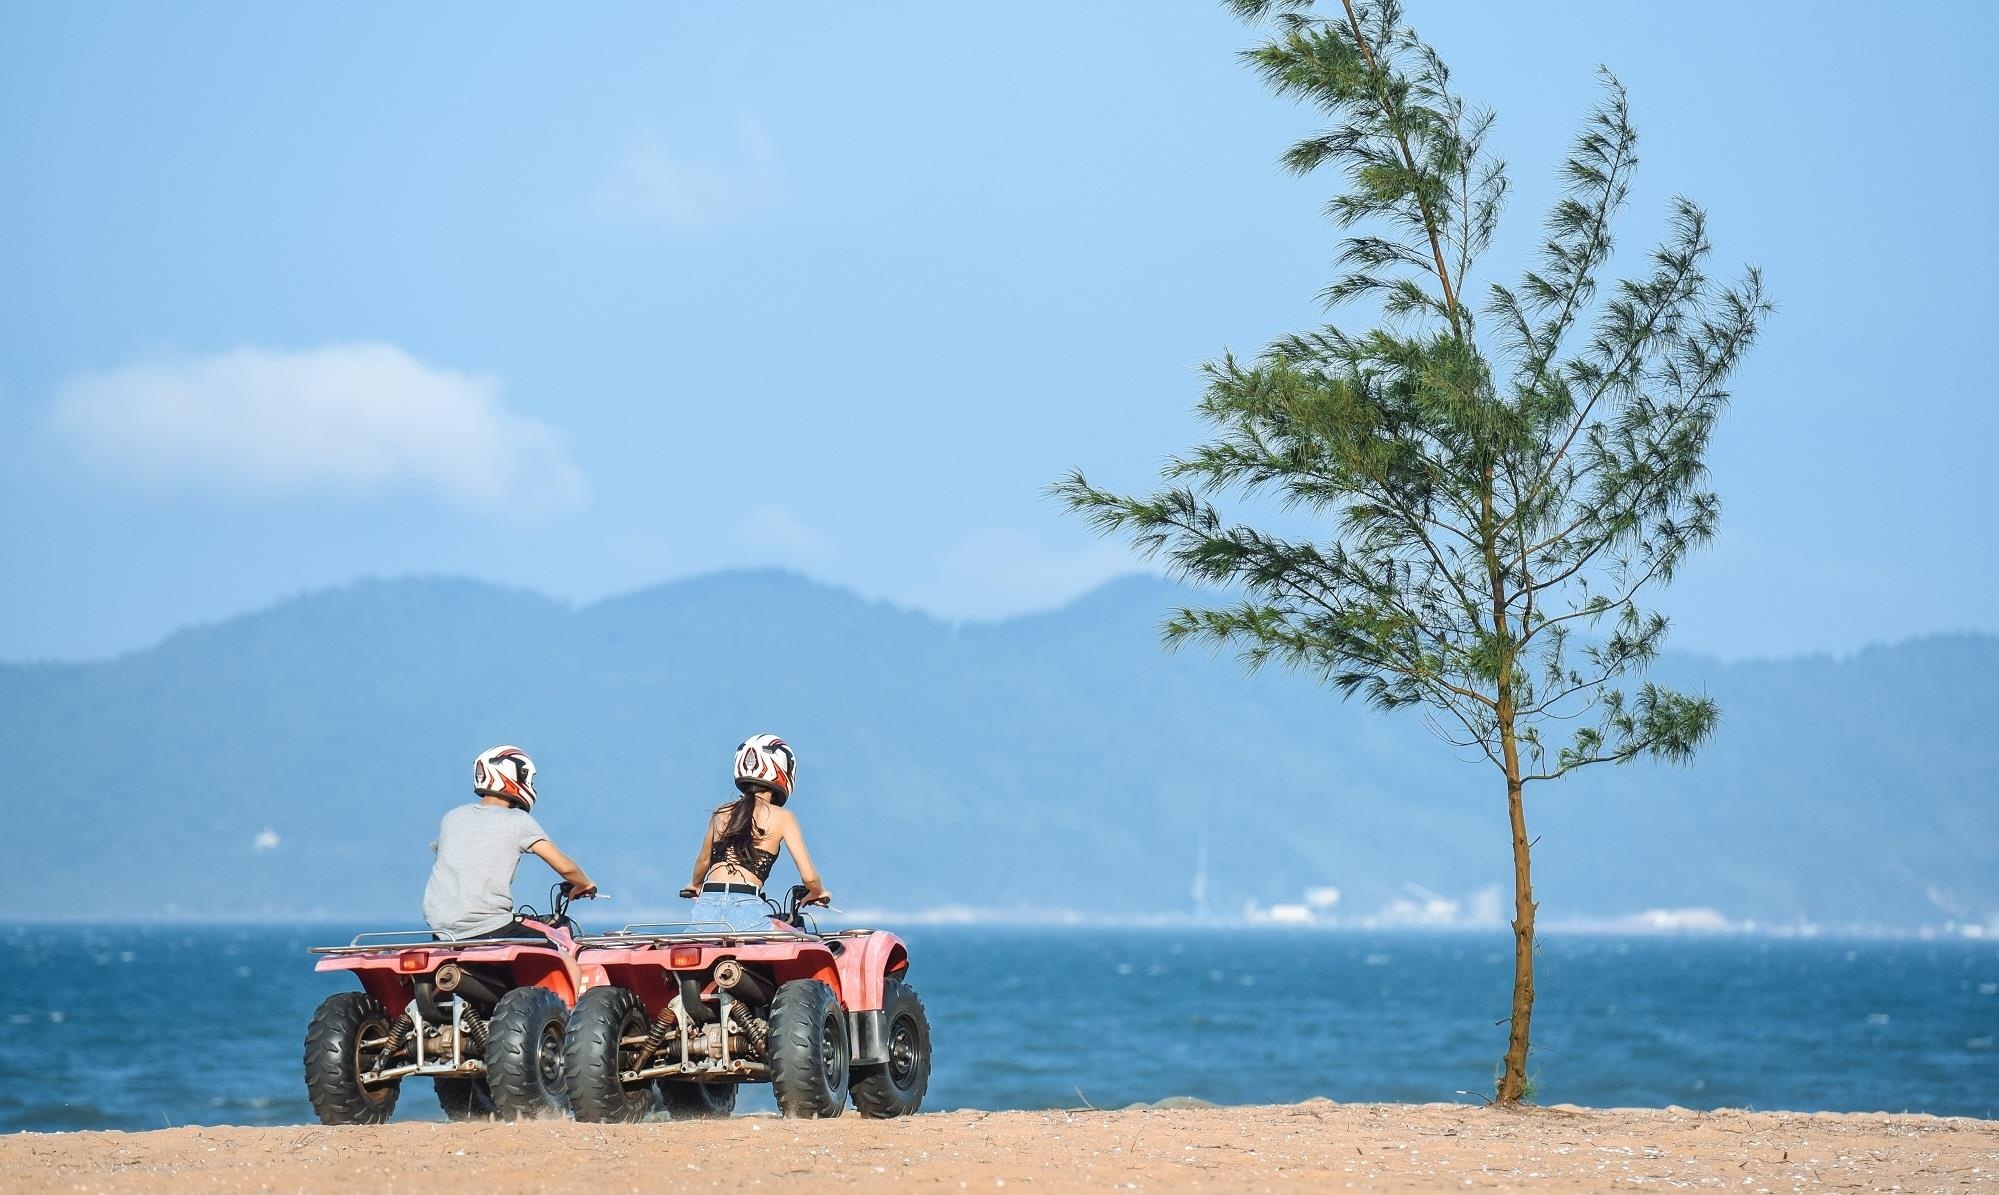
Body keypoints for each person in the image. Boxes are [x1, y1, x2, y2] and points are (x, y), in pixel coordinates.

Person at [423, 744, 595, 941]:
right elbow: (566, 868)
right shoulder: (517, 821)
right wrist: (584, 883)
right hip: (489, 927)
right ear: (517, 776)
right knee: (562, 944)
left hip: (443, 933)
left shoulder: (452, 817)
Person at [679, 733, 830, 930]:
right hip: (746, 909)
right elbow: (809, 877)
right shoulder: (783, 817)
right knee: (798, 946)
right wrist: (818, 891)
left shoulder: (722, 813)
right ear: (783, 770)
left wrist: (695, 885)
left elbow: (703, 861)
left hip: (707, 906)